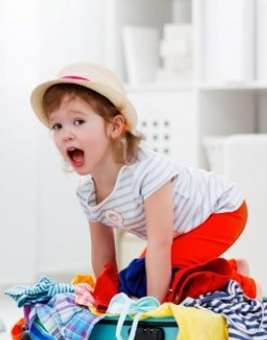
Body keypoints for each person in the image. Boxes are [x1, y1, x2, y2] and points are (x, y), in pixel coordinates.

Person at [29, 62, 259, 303]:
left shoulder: (147, 173)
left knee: (160, 282)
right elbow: (103, 254)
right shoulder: (88, 192)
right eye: (57, 125)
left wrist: (152, 308)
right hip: (181, 230)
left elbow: (160, 245)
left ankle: (240, 284)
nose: (66, 134)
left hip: (222, 211)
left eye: (78, 121)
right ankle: (231, 270)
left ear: (115, 127)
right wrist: (106, 300)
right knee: (135, 280)